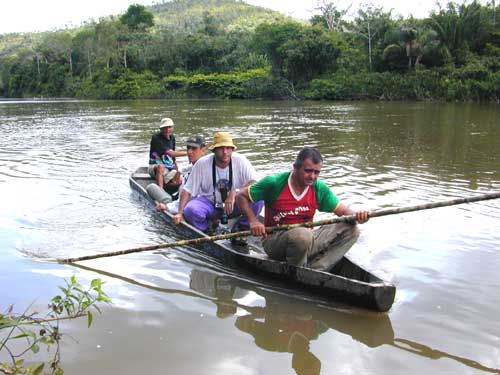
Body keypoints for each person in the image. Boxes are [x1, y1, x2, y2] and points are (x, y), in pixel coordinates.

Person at [236, 147, 369, 271]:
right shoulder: (274, 183)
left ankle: (316, 269)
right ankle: (296, 271)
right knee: (302, 235)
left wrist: (357, 215)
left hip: (307, 239)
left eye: (317, 172)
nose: (312, 177)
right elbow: (241, 196)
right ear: (295, 168)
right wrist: (253, 221)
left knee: (352, 229)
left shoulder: (318, 188)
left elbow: (344, 212)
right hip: (275, 241)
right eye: (308, 171)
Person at [173, 132, 264, 235]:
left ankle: (241, 228)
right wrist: (180, 213)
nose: (225, 152)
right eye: (221, 148)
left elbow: (255, 183)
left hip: (234, 205)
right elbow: (187, 190)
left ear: (232, 149)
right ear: (214, 150)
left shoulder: (241, 161)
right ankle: (208, 228)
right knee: (190, 210)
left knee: (259, 197)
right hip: (210, 204)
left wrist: (235, 192)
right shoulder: (202, 163)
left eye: (228, 148)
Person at [155, 135, 207, 214]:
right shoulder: (196, 166)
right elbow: (187, 168)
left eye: (194, 148)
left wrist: (167, 207)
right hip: (181, 202)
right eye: (188, 148)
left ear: (203, 151)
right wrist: (179, 172)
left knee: (151, 187)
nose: (189, 152)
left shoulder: (200, 171)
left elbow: (189, 199)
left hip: (182, 206)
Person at [148, 117, 187, 189]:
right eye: (165, 128)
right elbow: (170, 153)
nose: (167, 130)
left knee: (180, 179)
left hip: (169, 168)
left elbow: (173, 158)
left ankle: (166, 186)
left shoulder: (172, 138)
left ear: (172, 128)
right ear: (161, 129)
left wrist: (177, 170)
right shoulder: (156, 138)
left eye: (169, 127)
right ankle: (160, 191)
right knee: (161, 166)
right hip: (155, 167)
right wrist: (188, 153)